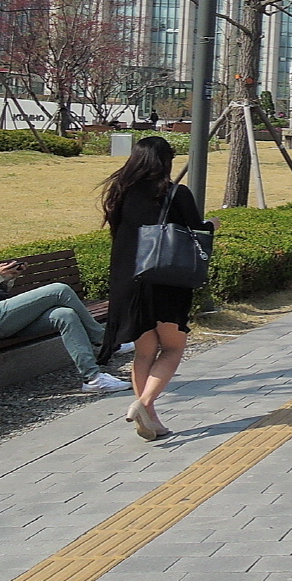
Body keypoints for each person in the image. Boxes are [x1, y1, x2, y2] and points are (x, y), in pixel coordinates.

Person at [101, 136, 217, 439]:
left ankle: (150, 418)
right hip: (166, 280)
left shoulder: (119, 193)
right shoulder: (175, 193)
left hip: (128, 281)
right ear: (165, 161)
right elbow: (196, 231)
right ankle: (143, 404)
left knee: (144, 353)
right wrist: (213, 225)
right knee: (173, 347)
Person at [0, 205, 130, 393]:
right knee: (59, 290)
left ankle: (93, 378)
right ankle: (105, 341)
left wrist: (8, 277)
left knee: (65, 315)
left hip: (6, 314)